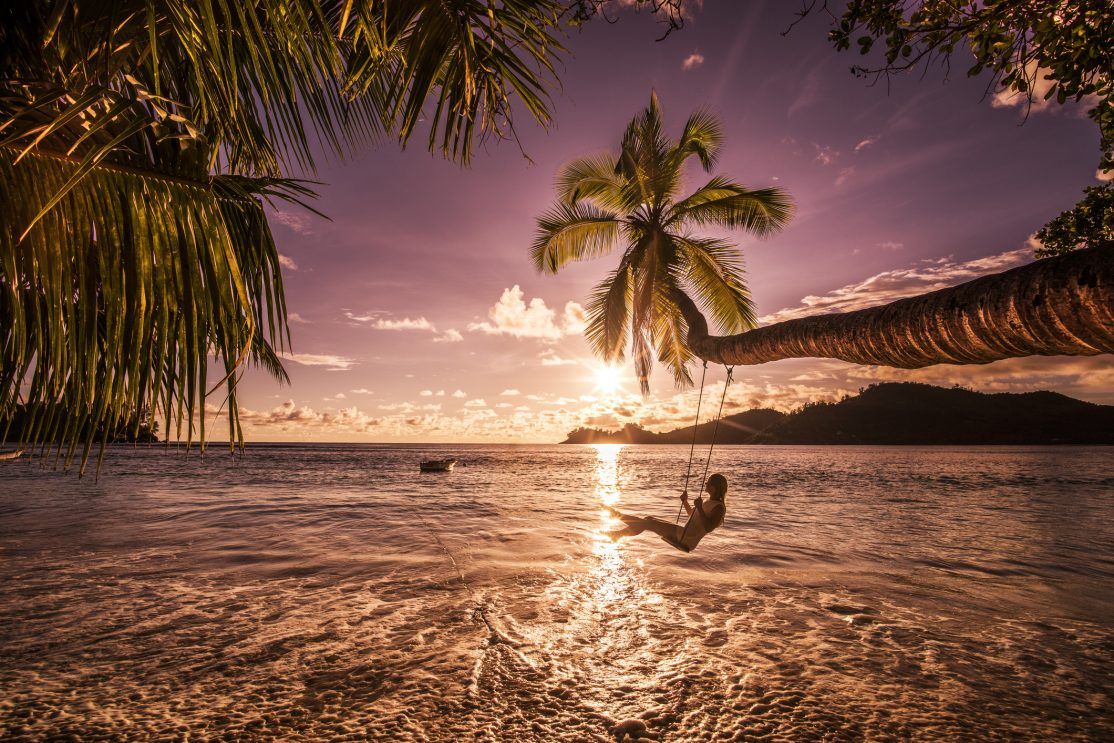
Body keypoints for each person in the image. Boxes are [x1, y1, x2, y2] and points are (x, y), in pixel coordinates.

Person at [606, 473, 727, 552]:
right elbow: (692, 516)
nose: (705, 484)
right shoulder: (708, 501)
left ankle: (617, 517)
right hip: (684, 533)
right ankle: (617, 533)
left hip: (687, 538)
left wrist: (699, 507)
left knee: (648, 524)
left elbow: (709, 527)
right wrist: (685, 502)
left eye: (708, 482)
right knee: (648, 519)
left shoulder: (719, 508)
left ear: (715, 487)